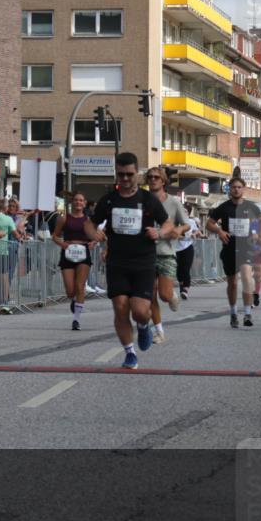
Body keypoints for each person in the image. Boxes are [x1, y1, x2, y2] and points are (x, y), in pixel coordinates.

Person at [84, 153, 172, 369]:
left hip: (143, 262)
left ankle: (144, 326)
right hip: (117, 262)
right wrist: (94, 234)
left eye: (129, 174)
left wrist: (159, 233)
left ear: (137, 174)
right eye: (121, 174)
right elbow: (90, 223)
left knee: (140, 311)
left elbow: (168, 222)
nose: (125, 179)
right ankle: (130, 353)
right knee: (120, 308)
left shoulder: (147, 199)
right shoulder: (109, 199)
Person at [207, 177, 261, 328]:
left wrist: (258, 234)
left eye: (239, 187)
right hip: (229, 248)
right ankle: (233, 313)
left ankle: (247, 314)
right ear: (229, 189)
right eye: (234, 187)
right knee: (232, 283)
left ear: (243, 189)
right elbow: (209, 223)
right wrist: (220, 231)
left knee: (247, 277)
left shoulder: (250, 206)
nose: (236, 190)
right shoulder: (223, 207)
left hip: (246, 248)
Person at [144, 166, 189, 344]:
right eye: (150, 177)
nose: (153, 179)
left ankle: (172, 296)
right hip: (146, 254)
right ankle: (159, 331)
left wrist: (178, 228)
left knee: (163, 294)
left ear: (163, 181)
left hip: (166, 252)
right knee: (150, 295)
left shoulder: (174, 202)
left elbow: (186, 225)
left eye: (156, 177)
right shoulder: (143, 200)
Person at [51, 192, 96, 330]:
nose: (78, 202)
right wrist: (62, 244)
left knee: (80, 286)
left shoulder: (89, 220)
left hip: (83, 252)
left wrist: (93, 242)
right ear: (72, 203)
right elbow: (55, 236)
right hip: (68, 252)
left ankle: (76, 320)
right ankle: (75, 300)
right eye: (76, 200)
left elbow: (96, 236)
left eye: (81, 200)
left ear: (84, 203)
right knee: (70, 291)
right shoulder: (64, 219)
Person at [176, 203, 200, 300]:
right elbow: (174, 234)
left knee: (186, 268)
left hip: (188, 247)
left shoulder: (191, 221)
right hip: (176, 249)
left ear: (188, 213)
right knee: (179, 271)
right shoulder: (175, 221)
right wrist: (185, 236)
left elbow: (197, 231)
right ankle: (182, 286)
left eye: (185, 211)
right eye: (182, 211)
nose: (183, 213)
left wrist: (195, 233)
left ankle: (185, 289)